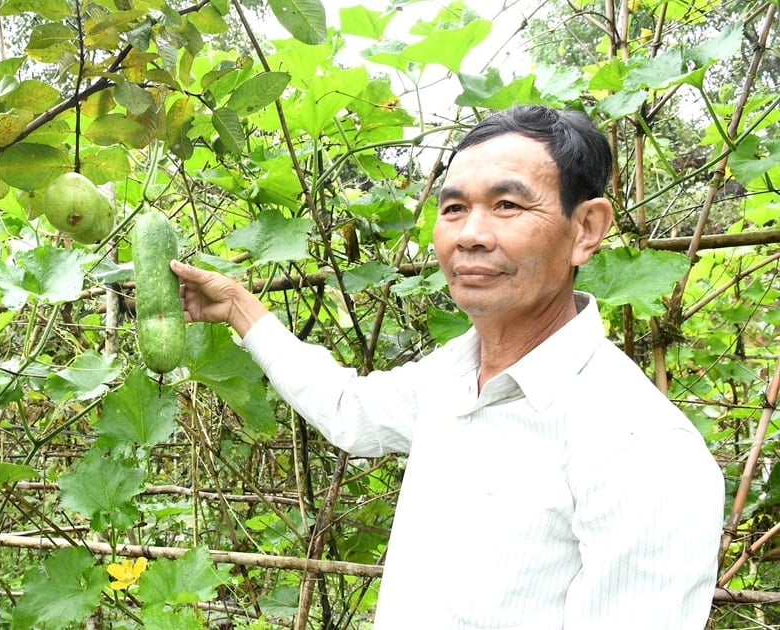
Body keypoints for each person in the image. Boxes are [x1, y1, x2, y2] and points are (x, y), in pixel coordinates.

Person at [169, 105, 724, 628]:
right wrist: (239, 308)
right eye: (454, 208)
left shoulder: (642, 447)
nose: (470, 235)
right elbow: (348, 410)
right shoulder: (450, 377)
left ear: (586, 229)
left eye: (508, 206)